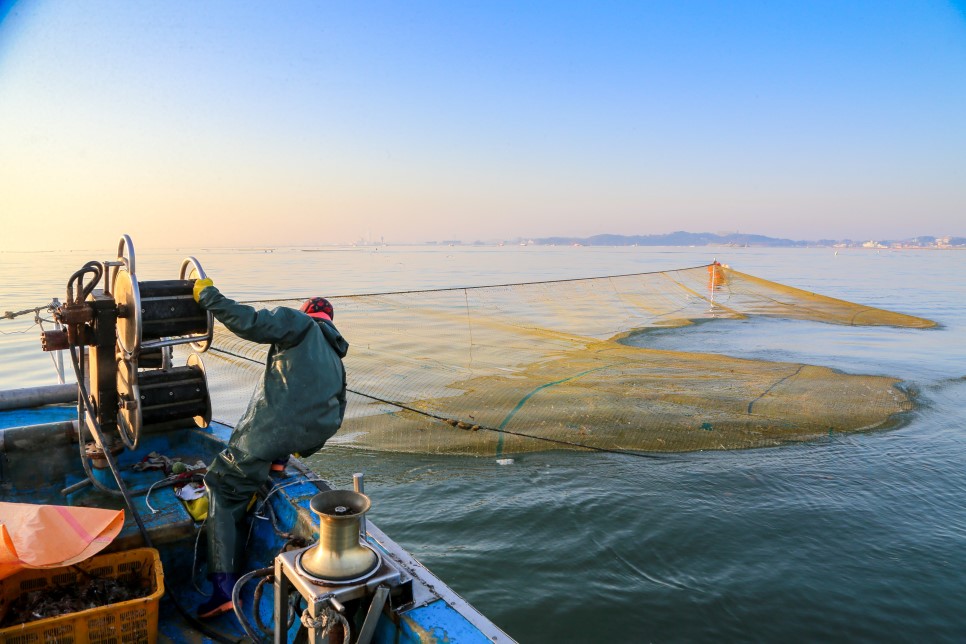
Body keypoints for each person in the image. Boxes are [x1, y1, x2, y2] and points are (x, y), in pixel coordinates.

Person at [192, 278, 349, 619]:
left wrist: (208, 296)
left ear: (308, 312)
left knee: (223, 486)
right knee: (286, 423)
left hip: (275, 429)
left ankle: (223, 591)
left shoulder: (299, 323)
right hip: (311, 436)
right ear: (331, 322)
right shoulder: (337, 357)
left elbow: (248, 321)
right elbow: (338, 408)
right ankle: (278, 460)